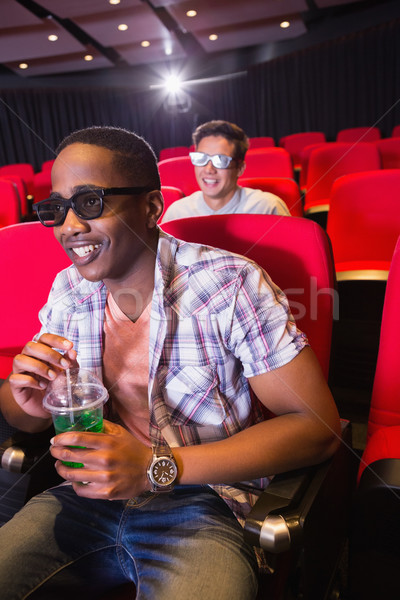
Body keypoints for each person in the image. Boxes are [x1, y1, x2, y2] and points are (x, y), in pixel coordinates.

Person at [0, 125, 340, 600]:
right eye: (56, 209)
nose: (69, 226)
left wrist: (154, 469)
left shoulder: (230, 283)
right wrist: (26, 401)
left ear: (153, 208)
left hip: (204, 505)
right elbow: (20, 415)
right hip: (85, 498)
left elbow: (316, 426)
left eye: (90, 203)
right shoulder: (68, 289)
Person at [161, 120, 290, 222]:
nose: (209, 169)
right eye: (201, 158)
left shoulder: (266, 208)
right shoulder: (177, 213)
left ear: (240, 168)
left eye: (220, 160)